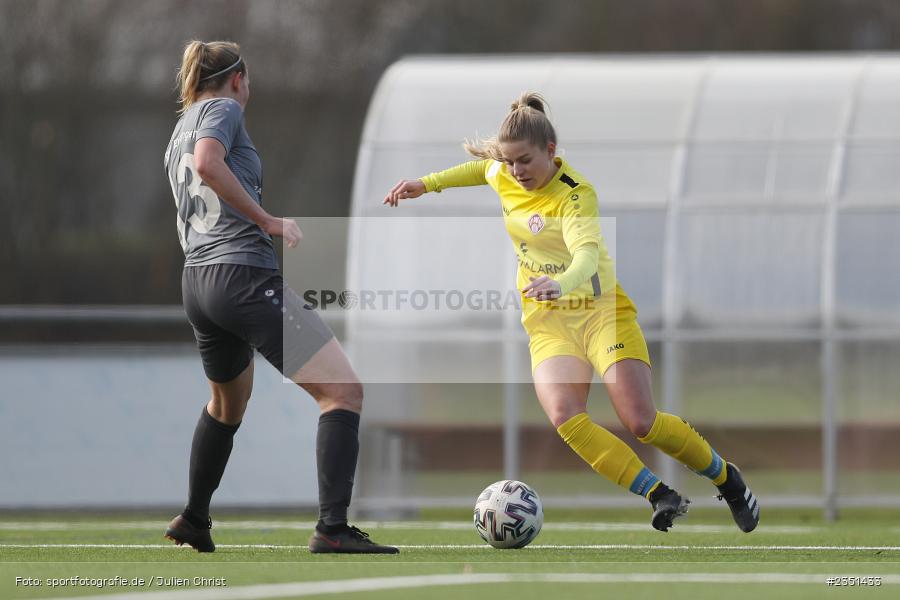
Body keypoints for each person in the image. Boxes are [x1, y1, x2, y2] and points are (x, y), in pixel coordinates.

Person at [383, 92, 759, 533]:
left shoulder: (576, 196)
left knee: (641, 422)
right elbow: (477, 168)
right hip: (549, 323)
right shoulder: (501, 171)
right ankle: (659, 495)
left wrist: (558, 283)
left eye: (524, 161)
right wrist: (425, 184)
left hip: (601, 314)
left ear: (550, 150)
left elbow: (584, 256)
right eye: (508, 163)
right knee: (565, 414)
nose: (516, 172)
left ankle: (726, 478)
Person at [163, 40, 397, 554]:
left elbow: (194, 173)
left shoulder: (179, 126)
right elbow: (207, 163)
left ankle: (194, 518)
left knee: (227, 404)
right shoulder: (222, 108)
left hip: (198, 282)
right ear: (239, 79)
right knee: (343, 392)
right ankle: (332, 529)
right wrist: (266, 221)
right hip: (240, 275)